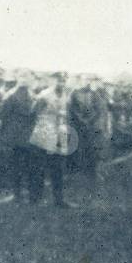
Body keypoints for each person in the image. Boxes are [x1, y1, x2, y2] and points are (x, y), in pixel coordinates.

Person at [28, 71, 76, 208]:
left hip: (59, 134)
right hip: (44, 134)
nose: (61, 83)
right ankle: (35, 199)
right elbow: (33, 113)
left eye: (63, 81)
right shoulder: (44, 95)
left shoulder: (65, 95)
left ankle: (59, 199)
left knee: (58, 168)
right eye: (58, 80)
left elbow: (66, 114)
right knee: (39, 168)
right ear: (52, 81)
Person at [0, 69, 39, 200]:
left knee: (30, 165)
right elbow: (3, 115)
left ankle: (31, 194)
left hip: (28, 135)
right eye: (22, 76)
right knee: (17, 166)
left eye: (27, 76)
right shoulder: (11, 95)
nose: (24, 79)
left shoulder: (32, 94)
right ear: (17, 78)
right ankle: (18, 194)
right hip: (16, 136)